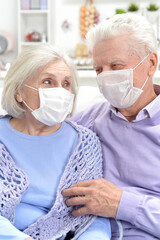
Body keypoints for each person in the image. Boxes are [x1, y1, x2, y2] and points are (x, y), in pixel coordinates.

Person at [62, 13, 160, 239]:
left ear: (151, 63)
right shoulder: (87, 121)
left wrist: (122, 204)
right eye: (98, 69)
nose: (106, 77)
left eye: (116, 66)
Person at [0, 44, 111, 240]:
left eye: (66, 84)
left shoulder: (84, 144)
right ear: (19, 92)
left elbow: (94, 218)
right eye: (48, 81)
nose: (60, 91)